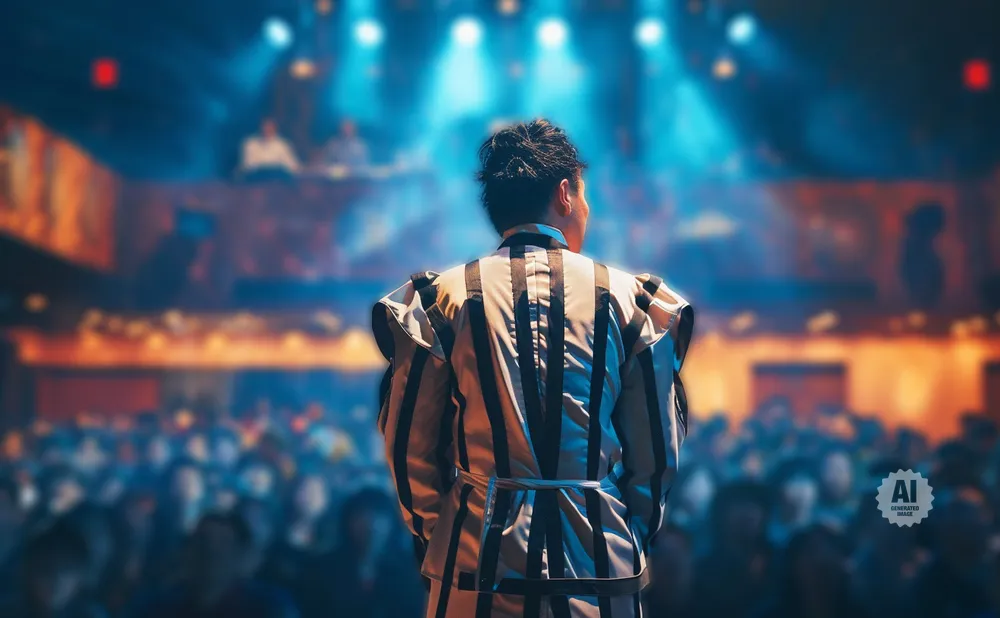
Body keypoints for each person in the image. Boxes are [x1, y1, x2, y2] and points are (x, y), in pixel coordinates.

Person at [371, 119, 695, 618]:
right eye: (584, 195)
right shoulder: (631, 300)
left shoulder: (442, 300)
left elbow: (409, 449)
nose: (586, 209)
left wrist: (452, 531)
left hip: (473, 567)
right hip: (599, 572)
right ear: (565, 194)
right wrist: (617, 527)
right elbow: (655, 457)